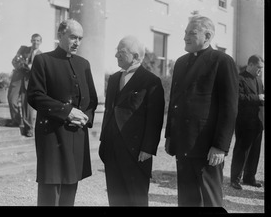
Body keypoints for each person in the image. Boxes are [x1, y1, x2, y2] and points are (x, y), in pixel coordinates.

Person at [164, 16, 239, 207]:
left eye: (191, 33)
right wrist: (170, 137)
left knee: (211, 201)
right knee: (187, 201)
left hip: (207, 147)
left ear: (207, 36)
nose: (185, 37)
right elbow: (175, 102)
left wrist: (220, 146)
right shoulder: (180, 63)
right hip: (183, 143)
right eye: (185, 33)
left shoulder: (222, 61)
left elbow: (229, 107)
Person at [27, 19, 98, 206]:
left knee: (69, 193)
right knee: (50, 193)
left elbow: (92, 100)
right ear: (60, 35)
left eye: (80, 38)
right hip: (52, 137)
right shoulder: (43, 60)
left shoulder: (84, 64)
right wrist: (67, 112)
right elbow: (35, 95)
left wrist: (85, 118)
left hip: (76, 136)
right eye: (73, 37)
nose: (77, 42)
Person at [99, 35, 165, 206]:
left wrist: (148, 148)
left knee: (136, 200)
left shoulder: (151, 81)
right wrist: (103, 141)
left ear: (136, 56)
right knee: (115, 198)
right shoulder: (114, 79)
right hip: (111, 148)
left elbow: (155, 119)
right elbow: (109, 111)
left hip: (135, 152)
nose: (116, 56)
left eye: (121, 52)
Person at [230, 55, 264, 190]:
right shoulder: (239, 78)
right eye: (258, 68)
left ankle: (249, 178)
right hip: (244, 122)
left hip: (258, 121)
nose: (260, 71)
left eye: (262, 68)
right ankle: (235, 179)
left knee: (255, 151)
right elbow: (237, 98)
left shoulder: (259, 80)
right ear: (250, 65)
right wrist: (258, 97)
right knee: (241, 151)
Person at [6, 33, 42, 137]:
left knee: (28, 105)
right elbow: (15, 61)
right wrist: (27, 67)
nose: (35, 42)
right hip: (17, 79)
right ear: (31, 41)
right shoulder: (23, 49)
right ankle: (16, 120)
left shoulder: (42, 55)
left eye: (38, 41)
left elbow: (39, 71)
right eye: (34, 40)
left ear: (40, 42)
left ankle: (29, 128)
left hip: (29, 81)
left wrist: (30, 68)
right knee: (12, 99)